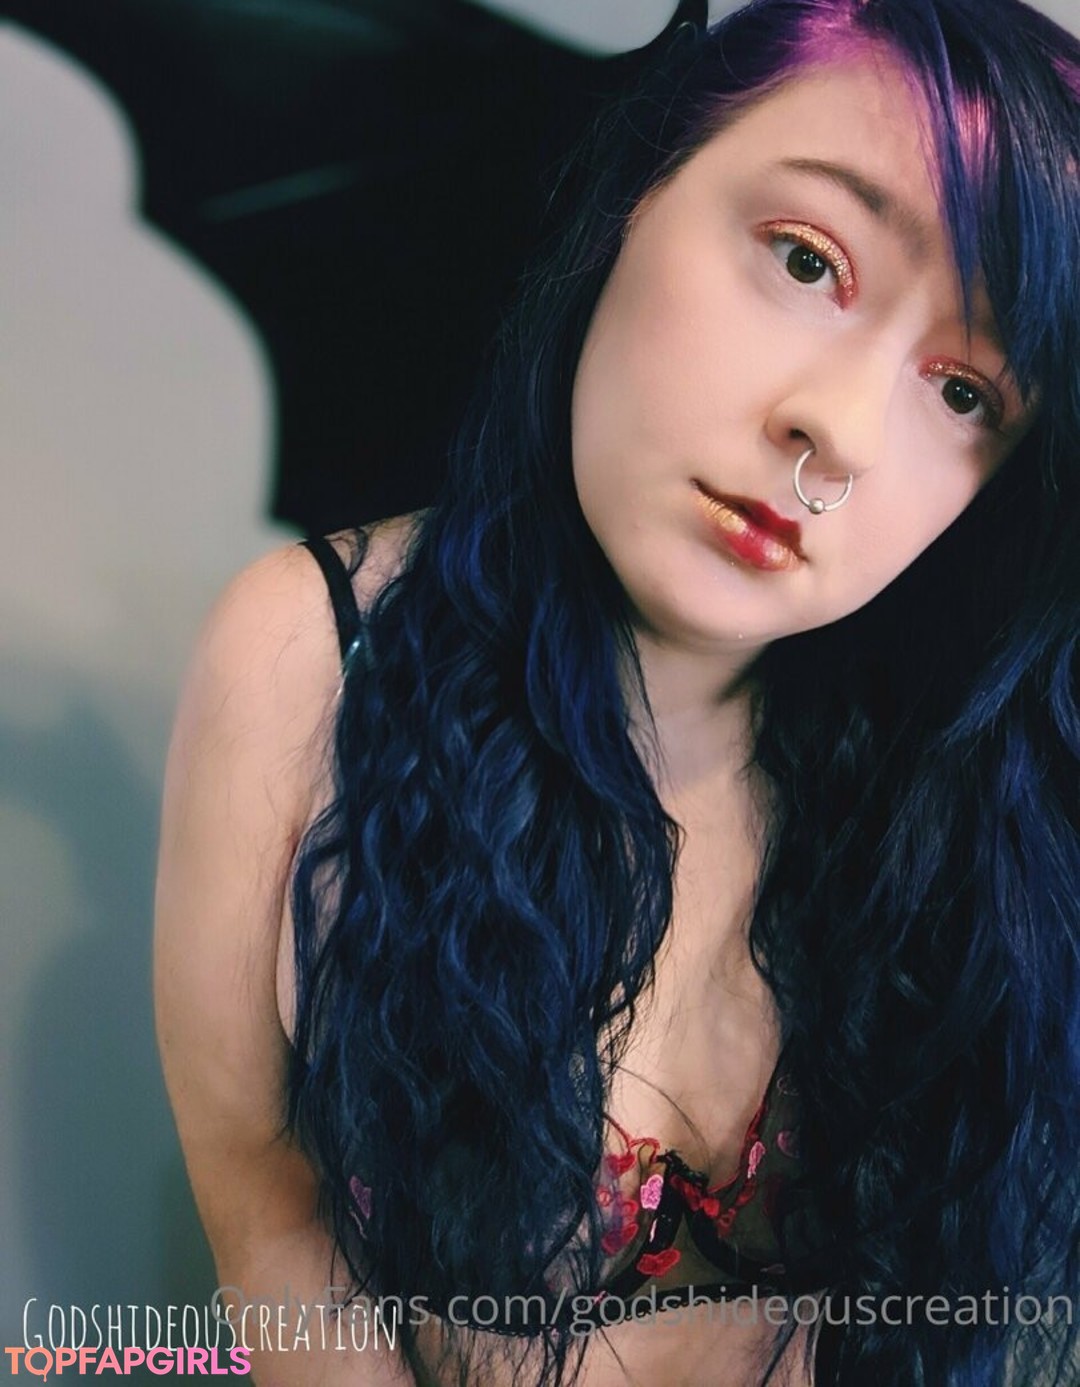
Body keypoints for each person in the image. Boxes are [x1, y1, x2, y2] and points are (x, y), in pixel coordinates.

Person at [154, 0, 1080, 1383]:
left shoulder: (974, 798)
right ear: (642, 190)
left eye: (965, 392)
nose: (838, 431)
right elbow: (267, 1215)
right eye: (807, 258)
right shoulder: (311, 655)